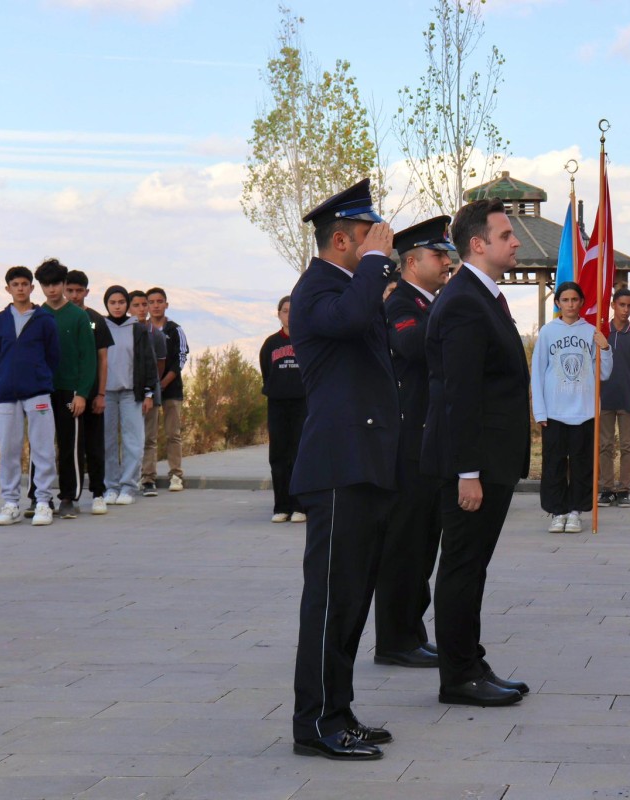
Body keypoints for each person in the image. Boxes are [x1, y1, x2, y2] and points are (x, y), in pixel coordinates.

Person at [288, 178, 401, 761]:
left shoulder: (346, 287)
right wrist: (377, 263)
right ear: (340, 240)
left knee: (352, 598)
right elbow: (356, 319)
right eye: (367, 234)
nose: (379, 241)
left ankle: (339, 708)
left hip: (364, 466)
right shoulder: (316, 290)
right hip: (338, 468)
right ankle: (316, 723)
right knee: (331, 599)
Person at [423, 197, 531, 708]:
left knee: (473, 565)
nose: (515, 243)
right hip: (475, 464)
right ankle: (459, 675)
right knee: (463, 565)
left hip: (489, 460)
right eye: (506, 235)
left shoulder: (482, 295)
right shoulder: (465, 299)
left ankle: (470, 660)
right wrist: (468, 472)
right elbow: (459, 396)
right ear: (478, 244)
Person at [372, 216, 455, 669]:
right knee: (405, 544)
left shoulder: (429, 302)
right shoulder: (402, 302)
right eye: (438, 255)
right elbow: (412, 348)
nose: (447, 261)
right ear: (411, 261)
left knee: (423, 543)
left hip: (428, 440)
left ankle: (409, 631)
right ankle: (395, 639)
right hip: (407, 442)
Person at [531, 281, 612, 533]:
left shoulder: (591, 331)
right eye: (565, 300)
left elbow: (605, 373)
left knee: (582, 464)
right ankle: (557, 512)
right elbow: (538, 372)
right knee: (553, 463)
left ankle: (576, 511)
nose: (570, 304)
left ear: (581, 302)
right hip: (555, 411)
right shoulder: (547, 332)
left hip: (584, 411)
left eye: (574, 300)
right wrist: (539, 410)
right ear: (557, 303)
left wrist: (605, 347)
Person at [0, 267, 59, 527]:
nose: (20, 288)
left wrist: (38, 376)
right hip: (8, 394)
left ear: (32, 288)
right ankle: (10, 504)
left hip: (38, 392)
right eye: (15, 284)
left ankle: (43, 501)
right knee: (8, 450)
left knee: (42, 449)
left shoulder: (45, 320)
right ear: (8, 288)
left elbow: (53, 357)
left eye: (25, 284)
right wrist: (9, 376)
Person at [28, 259, 95, 521]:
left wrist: (82, 393)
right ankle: (38, 496)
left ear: (64, 284)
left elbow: (87, 358)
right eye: (46, 284)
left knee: (69, 444)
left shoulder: (79, 317)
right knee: (38, 444)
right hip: (41, 390)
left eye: (56, 283)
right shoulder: (36, 315)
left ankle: (68, 497)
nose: (51, 289)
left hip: (70, 391)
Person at [101, 286, 156, 506]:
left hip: (131, 392)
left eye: (121, 302)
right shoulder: (98, 325)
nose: (117, 306)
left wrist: (149, 392)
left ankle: (129, 486)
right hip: (104, 393)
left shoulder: (137, 329)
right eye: (112, 302)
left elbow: (148, 361)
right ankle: (111, 486)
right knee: (107, 441)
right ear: (106, 304)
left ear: (127, 304)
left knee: (133, 441)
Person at [66, 270, 113, 514]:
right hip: (66, 393)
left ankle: (98, 493)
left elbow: (103, 359)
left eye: (79, 291)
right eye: (70, 290)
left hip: (93, 393)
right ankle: (69, 496)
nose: (74, 296)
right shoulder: (56, 318)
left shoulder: (96, 319)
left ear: (87, 292)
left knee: (94, 445)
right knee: (69, 446)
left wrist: (101, 394)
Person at [598, 288, 630, 509]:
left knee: (627, 446)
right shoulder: (601, 332)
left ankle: (624, 490)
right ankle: (607, 489)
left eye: (629, 306)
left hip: (628, 398)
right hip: (604, 398)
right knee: (604, 445)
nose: (625, 310)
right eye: (622, 305)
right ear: (612, 305)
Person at [258, 296, 306, 524]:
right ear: (279, 314)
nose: (289, 314)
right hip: (278, 403)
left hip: (303, 404)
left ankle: (300, 506)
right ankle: (281, 506)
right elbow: (266, 371)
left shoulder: (307, 340)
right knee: (279, 455)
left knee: (300, 453)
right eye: (285, 310)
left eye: (293, 310)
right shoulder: (270, 344)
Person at [146, 288, 187, 492]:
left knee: (173, 434)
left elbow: (180, 358)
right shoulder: (142, 329)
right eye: (151, 301)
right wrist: (151, 385)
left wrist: (163, 382)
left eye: (159, 301)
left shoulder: (175, 329)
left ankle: (176, 475)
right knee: (149, 435)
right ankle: (148, 476)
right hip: (148, 391)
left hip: (171, 390)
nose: (155, 305)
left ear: (166, 304)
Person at [130, 290, 166, 496]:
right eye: (136, 305)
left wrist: (152, 389)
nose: (142, 309)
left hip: (151, 392)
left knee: (149, 437)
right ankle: (130, 477)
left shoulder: (156, 334)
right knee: (130, 437)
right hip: (129, 392)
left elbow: (159, 364)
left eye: (144, 305)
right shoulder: (125, 331)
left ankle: (149, 478)